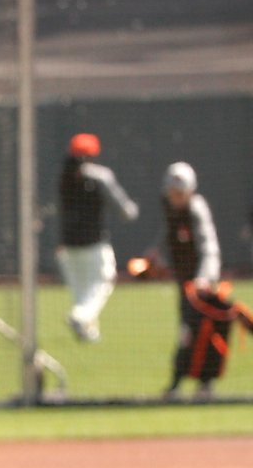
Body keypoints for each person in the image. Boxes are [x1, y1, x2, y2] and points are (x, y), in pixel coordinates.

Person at [55, 133, 137, 343]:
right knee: (104, 280)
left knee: (81, 291)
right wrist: (130, 210)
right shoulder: (99, 176)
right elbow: (125, 209)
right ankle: (80, 318)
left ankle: (87, 332)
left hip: (68, 245)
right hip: (93, 244)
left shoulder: (64, 175)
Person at [151, 163, 222, 399]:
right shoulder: (171, 209)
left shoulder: (195, 210)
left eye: (180, 193)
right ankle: (178, 384)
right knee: (186, 332)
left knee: (203, 333)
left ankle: (202, 384)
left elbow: (209, 246)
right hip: (185, 284)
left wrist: (204, 278)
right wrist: (155, 258)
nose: (176, 197)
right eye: (173, 192)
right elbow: (167, 237)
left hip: (201, 286)